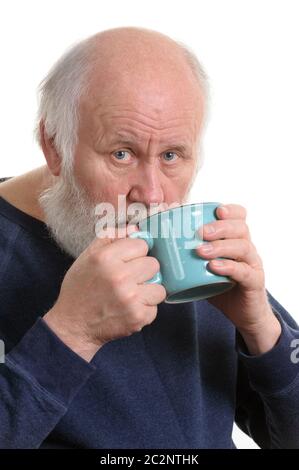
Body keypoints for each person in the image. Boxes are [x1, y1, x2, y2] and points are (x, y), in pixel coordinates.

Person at [0, 26, 298, 449]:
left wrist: (263, 330)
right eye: (122, 154)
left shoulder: (187, 247)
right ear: (54, 145)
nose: (153, 195)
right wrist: (71, 335)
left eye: (171, 155)